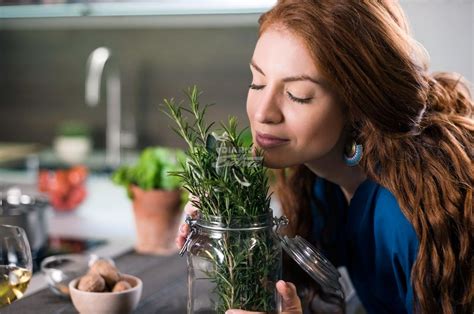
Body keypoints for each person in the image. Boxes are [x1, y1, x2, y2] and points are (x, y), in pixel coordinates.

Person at [177, 1, 473, 313]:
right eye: (258, 82)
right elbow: (299, 282)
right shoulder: (321, 181)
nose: (263, 112)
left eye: (298, 95)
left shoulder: (402, 213)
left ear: (357, 103)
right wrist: (225, 227)